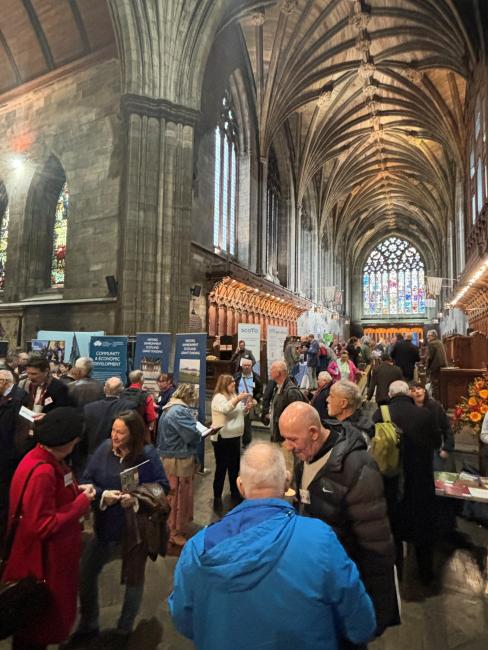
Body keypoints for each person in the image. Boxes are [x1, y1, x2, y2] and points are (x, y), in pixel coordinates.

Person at [169, 442, 376, 650]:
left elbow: (182, 617)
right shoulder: (320, 538)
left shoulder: (198, 547)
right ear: (287, 482)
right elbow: (361, 622)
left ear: (240, 486)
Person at [280, 402, 399, 638]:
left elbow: (376, 543)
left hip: (344, 586)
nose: (287, 446)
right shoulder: (305, 453)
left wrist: (377, 611)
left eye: (292, 439)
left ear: (314, 432)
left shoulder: (358, 467)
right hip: (315, 583)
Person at [2, 408, 95, 648]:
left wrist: (76, 491)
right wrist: (81, 504)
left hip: (44, 557)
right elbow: (41, 525)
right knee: (36, 627)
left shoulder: (43, 458)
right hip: (43, 564)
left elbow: (51, 499)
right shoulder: (43, 471)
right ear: (68, 441)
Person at [74, 411, 169, 640]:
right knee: (86, 573)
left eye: (121, 432)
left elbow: (163, 487)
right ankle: (89, 621)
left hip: (136, 529)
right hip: (105, 526)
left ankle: (125, 628)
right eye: (113, 430)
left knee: (134, 580)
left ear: (134, 433)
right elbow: (86, 480)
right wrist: (102, 494)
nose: (115, 436)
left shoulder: (147, 454)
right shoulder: (104, 449)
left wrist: (136, 498)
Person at [373, 380, 441, 584]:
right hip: (420, 482)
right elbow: (437, 443)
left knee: (392, 530)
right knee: (422, 531)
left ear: (390, 394)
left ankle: (396, 575)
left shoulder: (380, 415)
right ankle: (426, 575)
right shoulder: (424, 415)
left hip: (391, 483)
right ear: (408, 394)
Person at [157, 383, 201, 546]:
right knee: (178, 498)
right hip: (178, 461)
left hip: (169, 457)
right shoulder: (179, 411)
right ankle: (174, 532)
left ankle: (171, 529)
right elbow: (191, 435)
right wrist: (201, 433)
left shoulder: (169, 407)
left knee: (172, 495)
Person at [0, 369, 32, 542]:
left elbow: (25, 428)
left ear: (4, 381)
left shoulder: (21, 398)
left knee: (5, 497)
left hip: (8, 456)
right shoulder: (6, 397)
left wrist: (16, 453)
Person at [210, 374, 250, 508]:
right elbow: (226, 410)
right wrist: (239, 398)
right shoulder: (219, 397)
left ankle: (235, 493)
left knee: (235, 467)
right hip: (223, 439)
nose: (234, 384)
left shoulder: (233, 395)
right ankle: (217, 497)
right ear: (224, 384)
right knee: (222, 468)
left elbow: (236, 413)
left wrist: (245, 409)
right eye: (231, 382)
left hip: (234, 437)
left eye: (234, 381)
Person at [83, 377, 134, 460]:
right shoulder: (128, 407)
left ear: (104, 389)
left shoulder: (88, 408)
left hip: (93, 456)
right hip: (118, 456)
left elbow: (83, 436)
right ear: (122, 390)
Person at [409, 380, 455, 471]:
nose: (417, 392)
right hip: (416, 451)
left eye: (419, 389)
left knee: (437, 476)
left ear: (424, 390)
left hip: (434, 450)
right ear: (410, 394)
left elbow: (447, 427)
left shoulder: (435, 406)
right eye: (413, 390)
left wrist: (447, 448)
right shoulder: (409, 409)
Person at [267, 360, 307, 444]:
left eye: (272, 369)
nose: (270, 371)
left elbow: (297, 419)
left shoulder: (291, 392)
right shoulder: (279, 387)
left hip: (286, 440)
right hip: (277, 436)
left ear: (279, 373)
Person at [234, 357, 263, 447]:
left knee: (247, 425)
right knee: (236, 424)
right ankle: (235, 442)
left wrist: (256, 399)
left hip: (249, 404)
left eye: (248, 365)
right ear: (241, 366)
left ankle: (246, 444)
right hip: (237, 403)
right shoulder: (236, 376)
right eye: (245, 365)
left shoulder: (256, 377)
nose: (246, 367)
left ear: (251, 366)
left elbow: (260, 392)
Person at [121, 370, 157, 440]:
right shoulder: (146, 396)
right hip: (139, 432)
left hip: (123, 429)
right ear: (142, 380)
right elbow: (151, 417)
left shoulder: (121, 393)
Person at [425, 330, 447, 400]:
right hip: (442, 366)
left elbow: (429, 358)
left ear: (432, 336)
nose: (427, 338)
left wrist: (427, 369)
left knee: (435, 387)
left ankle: (435, 403)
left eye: (428, 336)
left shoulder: (432, 344)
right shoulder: (440, 342)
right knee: (440, 386)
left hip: (435, 368)